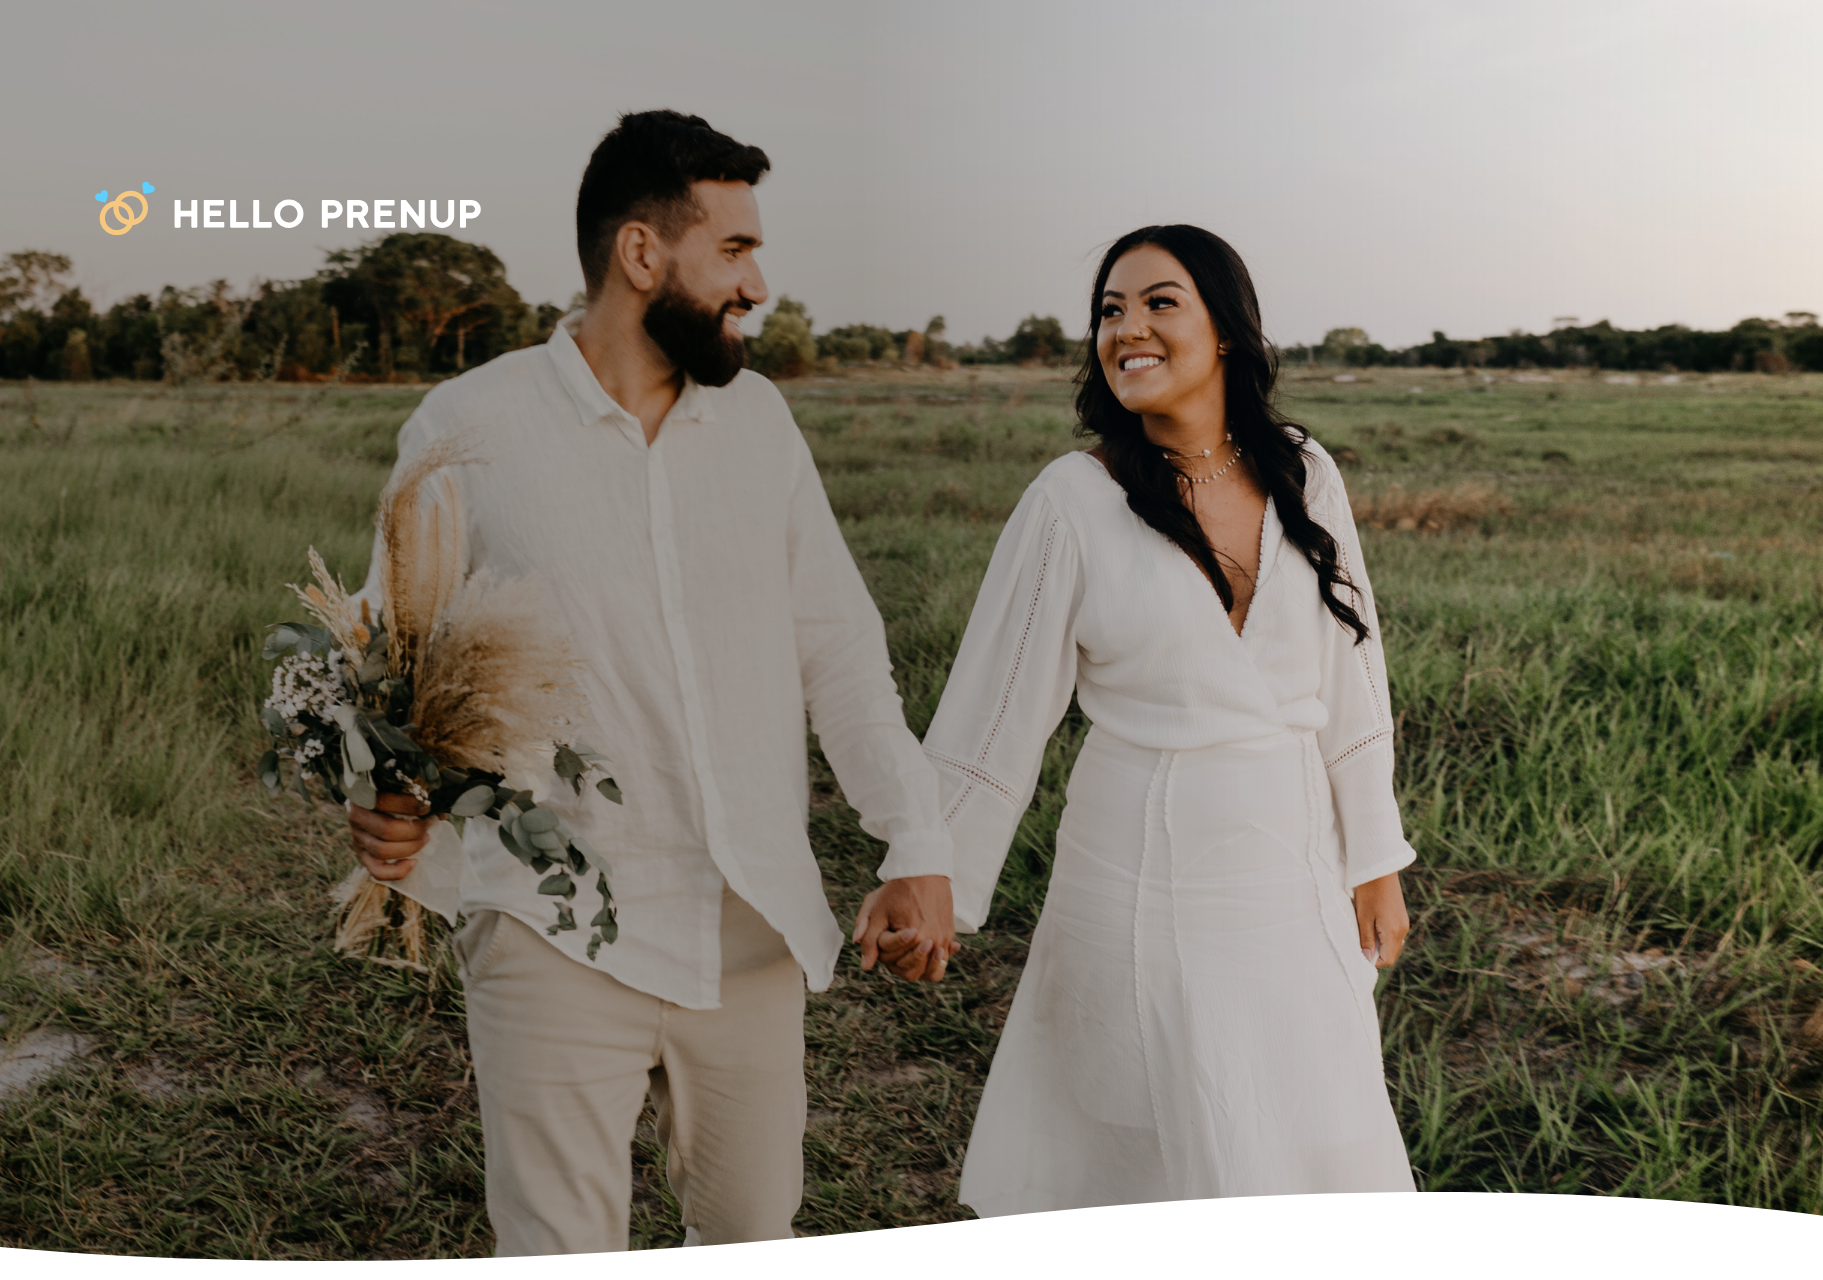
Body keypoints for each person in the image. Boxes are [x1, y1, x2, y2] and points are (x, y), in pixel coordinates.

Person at [343, 110, 958, 1254]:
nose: (759, 282)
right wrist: (380, 791)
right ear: (642, 254)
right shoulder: (467, 427)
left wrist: (914, 842)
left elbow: (839, 647)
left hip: (750, 927)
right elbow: (390, 658)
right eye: (733, 250)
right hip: (551, 927)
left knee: (751, 1232)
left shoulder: (761, 423)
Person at [922, 224, 1417, 1214]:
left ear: (1225, 331)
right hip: (1135, 871)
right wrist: (929, 872)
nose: (1127, 328)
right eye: (1110, 309)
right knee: (1138, 1132)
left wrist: (1374, 853)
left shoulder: (1303, 472)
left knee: (1301, 1121)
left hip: (1287, 865)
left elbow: (1354, 672)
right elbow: (995, 707)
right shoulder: (1074, 499)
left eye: (1158, 302)